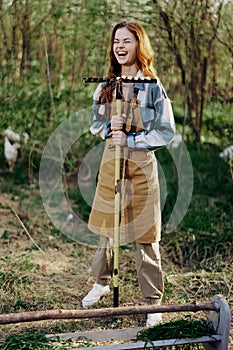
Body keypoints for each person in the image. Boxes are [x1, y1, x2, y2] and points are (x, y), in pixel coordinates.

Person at [82, 21, 175, 327]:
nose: (120, 46)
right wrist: (111, 127)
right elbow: (96, 123)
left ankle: (152, 304)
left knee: (146, 233)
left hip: (141, 164)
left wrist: (132, 139)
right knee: (109, 227)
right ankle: (102, 281)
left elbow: (165, 131)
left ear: (138, 46)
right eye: (116, 42)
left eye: (127, 41)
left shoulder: (153, 85)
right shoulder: (106, 85)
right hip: (112, 161)